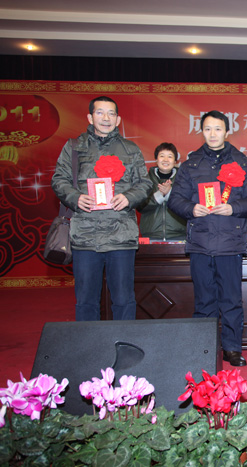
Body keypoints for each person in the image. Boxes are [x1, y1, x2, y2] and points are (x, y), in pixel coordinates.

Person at [168, 110, 247, 367]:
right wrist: (191, 209)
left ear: (227, 132)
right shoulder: (190, 165)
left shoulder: (242, 163)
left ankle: (232, 348)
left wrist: (233, 208)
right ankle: (204, 348)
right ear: (202, 131)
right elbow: (175, 200)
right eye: (208, 129)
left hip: (230, 242)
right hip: (200, 242)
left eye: (218, 129)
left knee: (231, 299)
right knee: (204, 299)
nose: (213, 134)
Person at [52, 96, 152, 321]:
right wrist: (76, 198)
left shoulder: (130, 149)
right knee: (86, 301)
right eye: (100, 112)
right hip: (86, 235)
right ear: (90, 117)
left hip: (121, 235)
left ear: (118, 120)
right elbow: (59, 179)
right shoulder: (74, 147)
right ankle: (89, 344)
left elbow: (145, 183)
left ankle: (124, 342)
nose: (106, 118)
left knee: (124, 299)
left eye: (111, 113)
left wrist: (128, 198)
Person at [138, 142, 187, 240]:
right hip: (151, 235)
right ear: (156, 159)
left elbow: (187, 205)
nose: (165, 160)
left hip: (178, 235)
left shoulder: (183, 180)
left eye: (170, 156)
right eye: (162, 156)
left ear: (175, 161)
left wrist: (170, 193)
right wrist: (160, 195)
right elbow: (139, 206)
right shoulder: (145, 180)